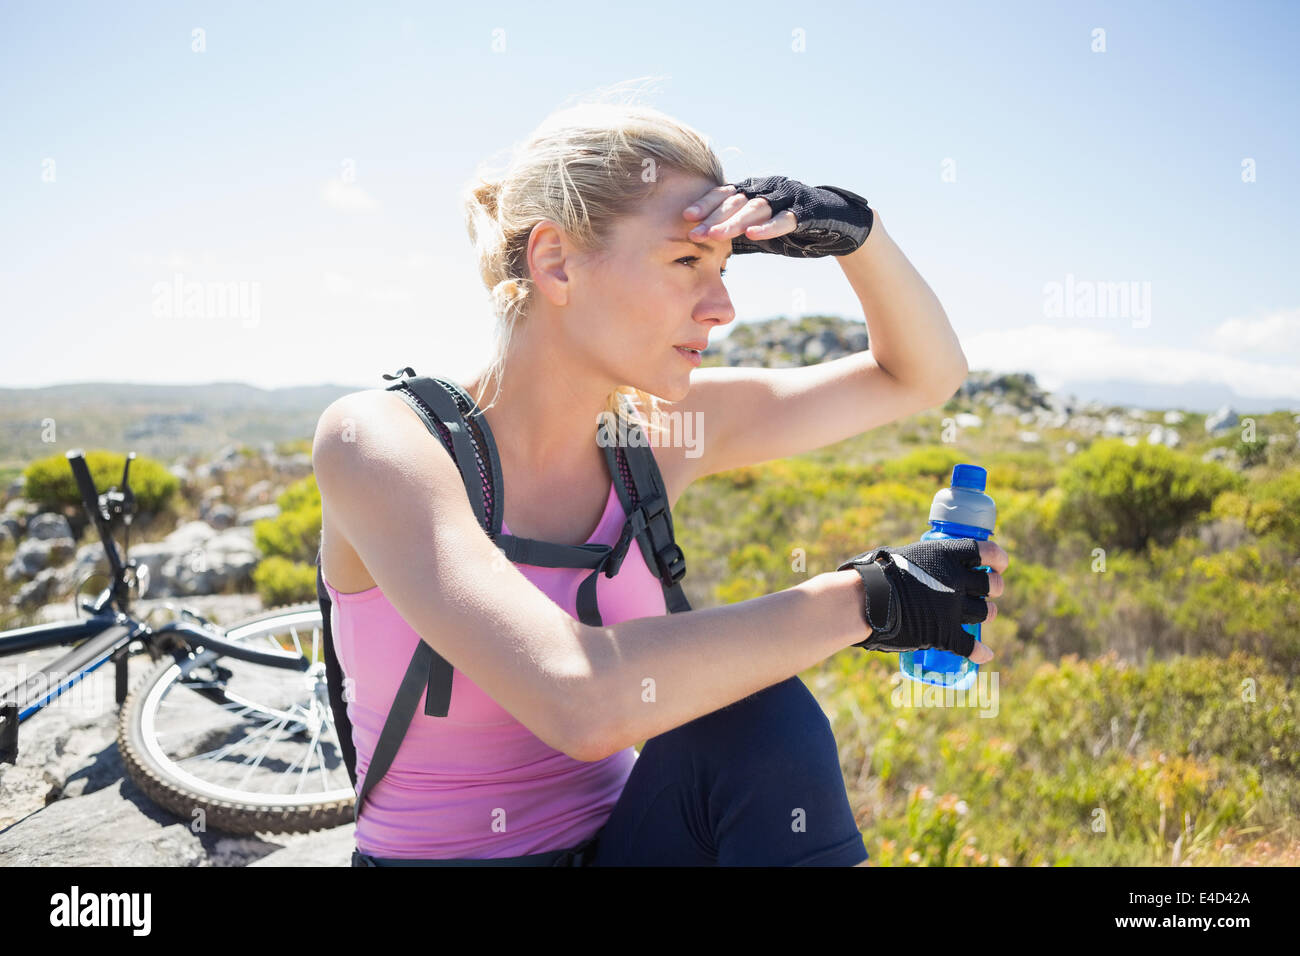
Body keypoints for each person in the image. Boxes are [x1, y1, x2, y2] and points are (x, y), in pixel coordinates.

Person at [313, 97, 1009, 867]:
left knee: (759, 721)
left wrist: (854, 230)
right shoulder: (378, 440)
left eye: (721, 268)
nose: (723, 308)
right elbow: (575, 697)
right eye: (686, 262)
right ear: (556, 262)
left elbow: (922, 375)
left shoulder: (653, 434)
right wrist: (872, 597)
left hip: (627, 845)